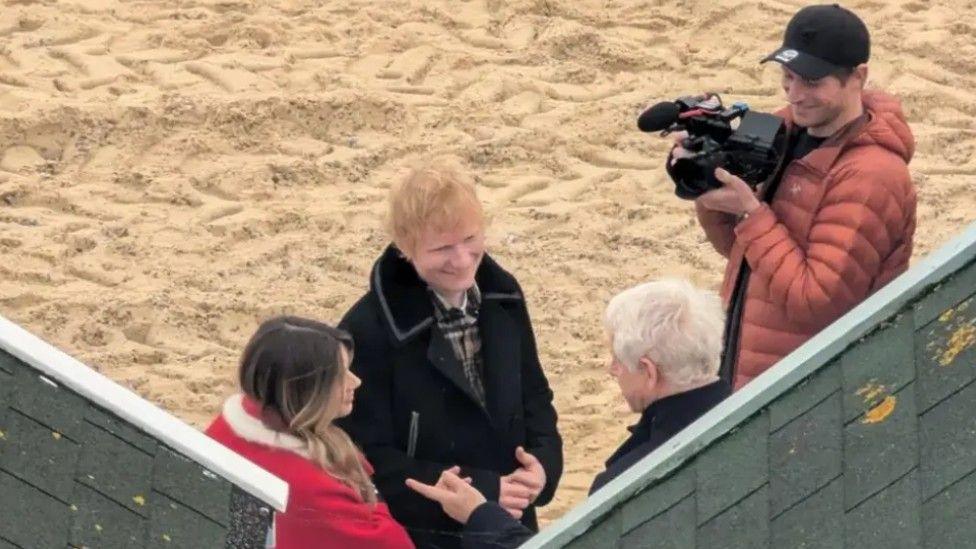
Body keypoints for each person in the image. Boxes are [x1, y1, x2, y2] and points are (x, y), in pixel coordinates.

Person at [681, 4, 917, 389]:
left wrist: (751, 212)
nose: (795, 94)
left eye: (811, 82)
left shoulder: (873, 178)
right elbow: (742, 255)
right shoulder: (783, 128)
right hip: (749, 371)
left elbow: (816, 302)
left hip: (810, 392)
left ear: (857, 77)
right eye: (787, 77)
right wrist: (707, 185)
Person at [336, 160, 563, 548]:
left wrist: (543, 467)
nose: (461, 260)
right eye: (442, 248)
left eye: (470, 239)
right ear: (405, 247)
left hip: (511, 521)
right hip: (429, 535)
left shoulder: (504, 297)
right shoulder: (367, 330)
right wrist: (486, 490)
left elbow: (535, 397)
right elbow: (366, 457)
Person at [407, 279, 731, 548]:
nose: (612, 369)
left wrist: (479, 514)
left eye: (617, 359)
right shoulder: (746, 411)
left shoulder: (636, 481)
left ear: (648, 371)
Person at [205, 316, 414, 549]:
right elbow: (394, 543)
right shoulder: (316, 491)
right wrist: (370, 494)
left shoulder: (227, 427)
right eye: (340, 375)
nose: (355, 382)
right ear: (305, 388)